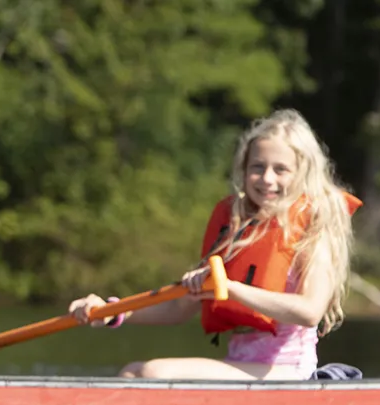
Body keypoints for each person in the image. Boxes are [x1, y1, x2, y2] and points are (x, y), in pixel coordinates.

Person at [68, 109, 358, 380]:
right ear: (244, 171)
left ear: (303, 173)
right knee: (134, 372)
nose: (267, 178)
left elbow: (310, 312)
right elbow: (178, 308)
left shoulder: (314, 231)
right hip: (240, 365)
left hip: (287, 371)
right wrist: (108, 313)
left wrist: (230, 288)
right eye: (258, 167)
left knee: (150, 373)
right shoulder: (235, 228)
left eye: (281, 169)